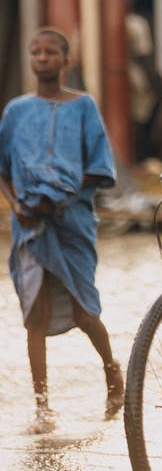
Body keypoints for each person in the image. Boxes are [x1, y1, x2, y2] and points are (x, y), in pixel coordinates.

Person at [0, 27, 124, 433]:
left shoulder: (84, 106)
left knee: (85, 311)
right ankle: (42, 406)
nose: (41, 58)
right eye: (35, 51)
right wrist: (19, 206)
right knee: (34, 314)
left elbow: (100, 168)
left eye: (50, 52)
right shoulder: (16, 111)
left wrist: (60, 199)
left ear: (64, 59)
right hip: (29, 229)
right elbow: (4, 169)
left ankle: (112, 372)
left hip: (72, 226)